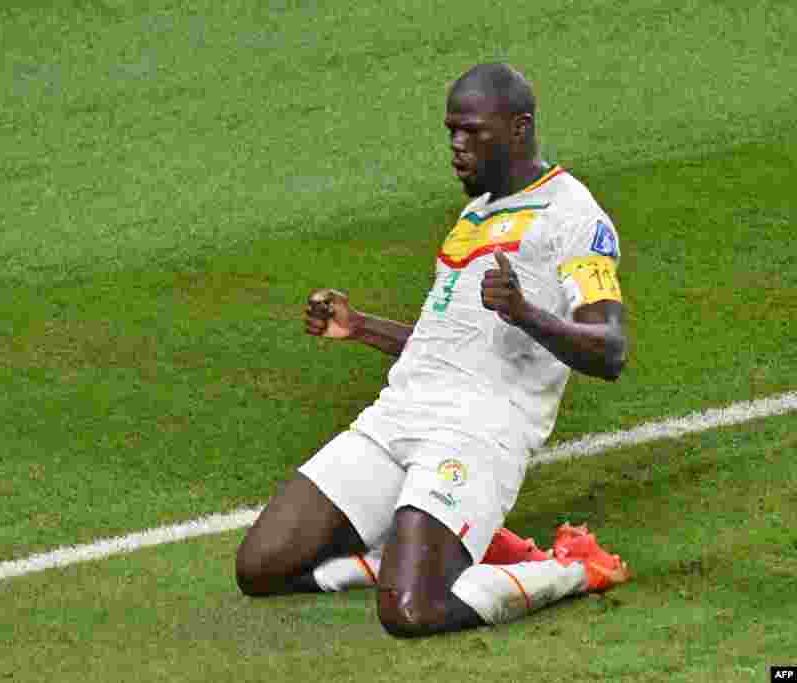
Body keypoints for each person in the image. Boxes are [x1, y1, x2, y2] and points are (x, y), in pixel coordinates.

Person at [235, 62, 630, 638]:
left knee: (411, 611)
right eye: (451, 131)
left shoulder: (573, 217)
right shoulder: (472, 217)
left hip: (477, 433)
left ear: (519, 129)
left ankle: (571, 569)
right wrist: (359, 327)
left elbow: (611, 350)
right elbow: (445, 347)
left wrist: (525, 312)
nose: (456, 146)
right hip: (398, 417)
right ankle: (423, 552)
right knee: (261, 567)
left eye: (473, 132)